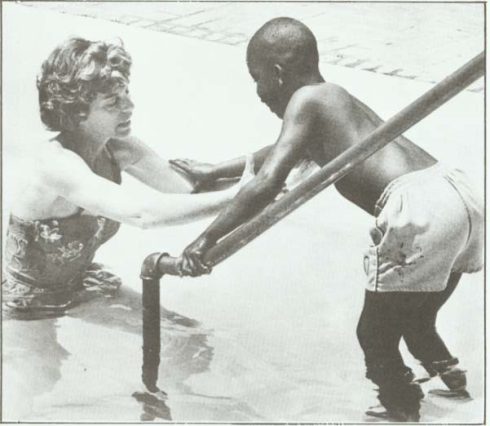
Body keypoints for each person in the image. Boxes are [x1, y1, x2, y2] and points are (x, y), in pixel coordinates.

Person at [170, 17, 483, 422]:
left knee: (374, 334)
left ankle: (400, 410)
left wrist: (204, 240)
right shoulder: (333, 101)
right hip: (457, 197)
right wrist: (214, 171)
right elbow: (277, 152)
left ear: (278, 74)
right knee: (416, 316)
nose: (259, 92)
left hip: (418, 208)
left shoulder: (307, 101)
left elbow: (268, 182)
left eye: (257, 78)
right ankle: (452, 381)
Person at [2, 37, 253, 314]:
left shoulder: (118, 148)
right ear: (76, 111)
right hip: (25, 303)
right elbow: (140, 214)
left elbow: (188, 191)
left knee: (187, 335)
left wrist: (270, 176)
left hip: (83, 282)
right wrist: (240, 196)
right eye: (112, 103)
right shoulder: (54, 163)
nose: (129, 107)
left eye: (126, 94)